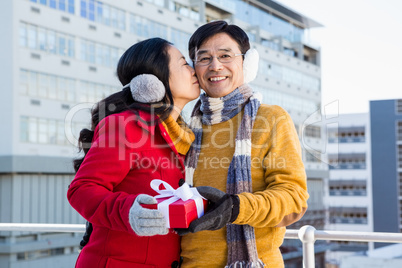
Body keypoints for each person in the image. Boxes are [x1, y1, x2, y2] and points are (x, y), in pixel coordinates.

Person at [177, 20, 309, 268]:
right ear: (195, 69)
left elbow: (294, 200)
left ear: (246, 63)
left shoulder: (271, 118)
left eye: (225, 55)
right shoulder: (185, 127)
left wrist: (235, 208)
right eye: (204, 58)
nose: (215, 66)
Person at [67, 37, 200, 267]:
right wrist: (128, 210)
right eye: (183, 63)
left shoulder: (185, 138)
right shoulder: (127, 126)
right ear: (153, 80)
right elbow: (81, 189)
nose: (193, 69)